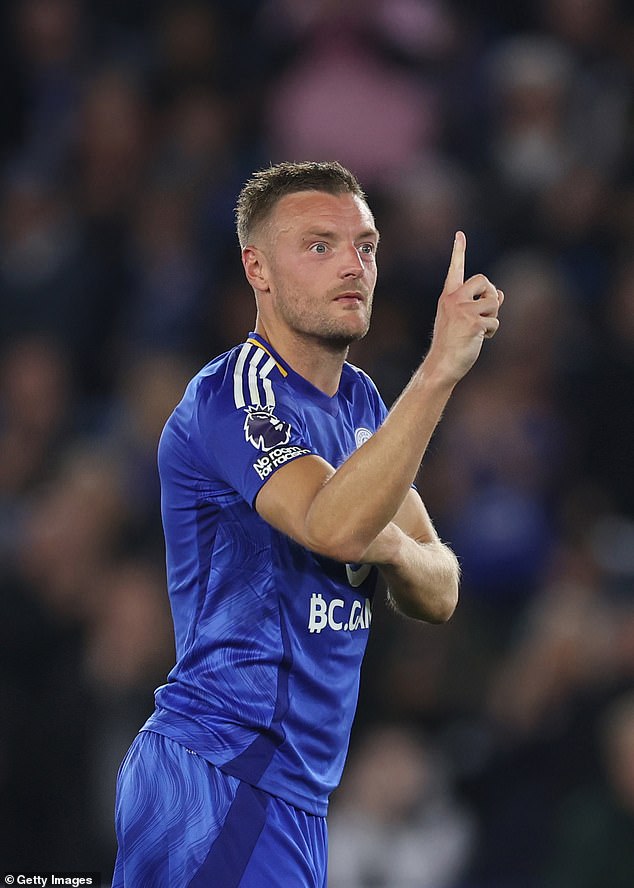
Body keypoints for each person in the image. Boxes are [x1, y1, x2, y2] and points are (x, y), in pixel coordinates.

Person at [112, 160, 503, 887]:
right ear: (256, 268)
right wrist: (440, 373)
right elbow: (336, 529)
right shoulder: (235, 395)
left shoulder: (359, 406)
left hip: (294, 794)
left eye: (366, 246)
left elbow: (440, 587)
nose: (353, 265)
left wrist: (391, 544)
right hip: (219, 771)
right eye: (319, 246)